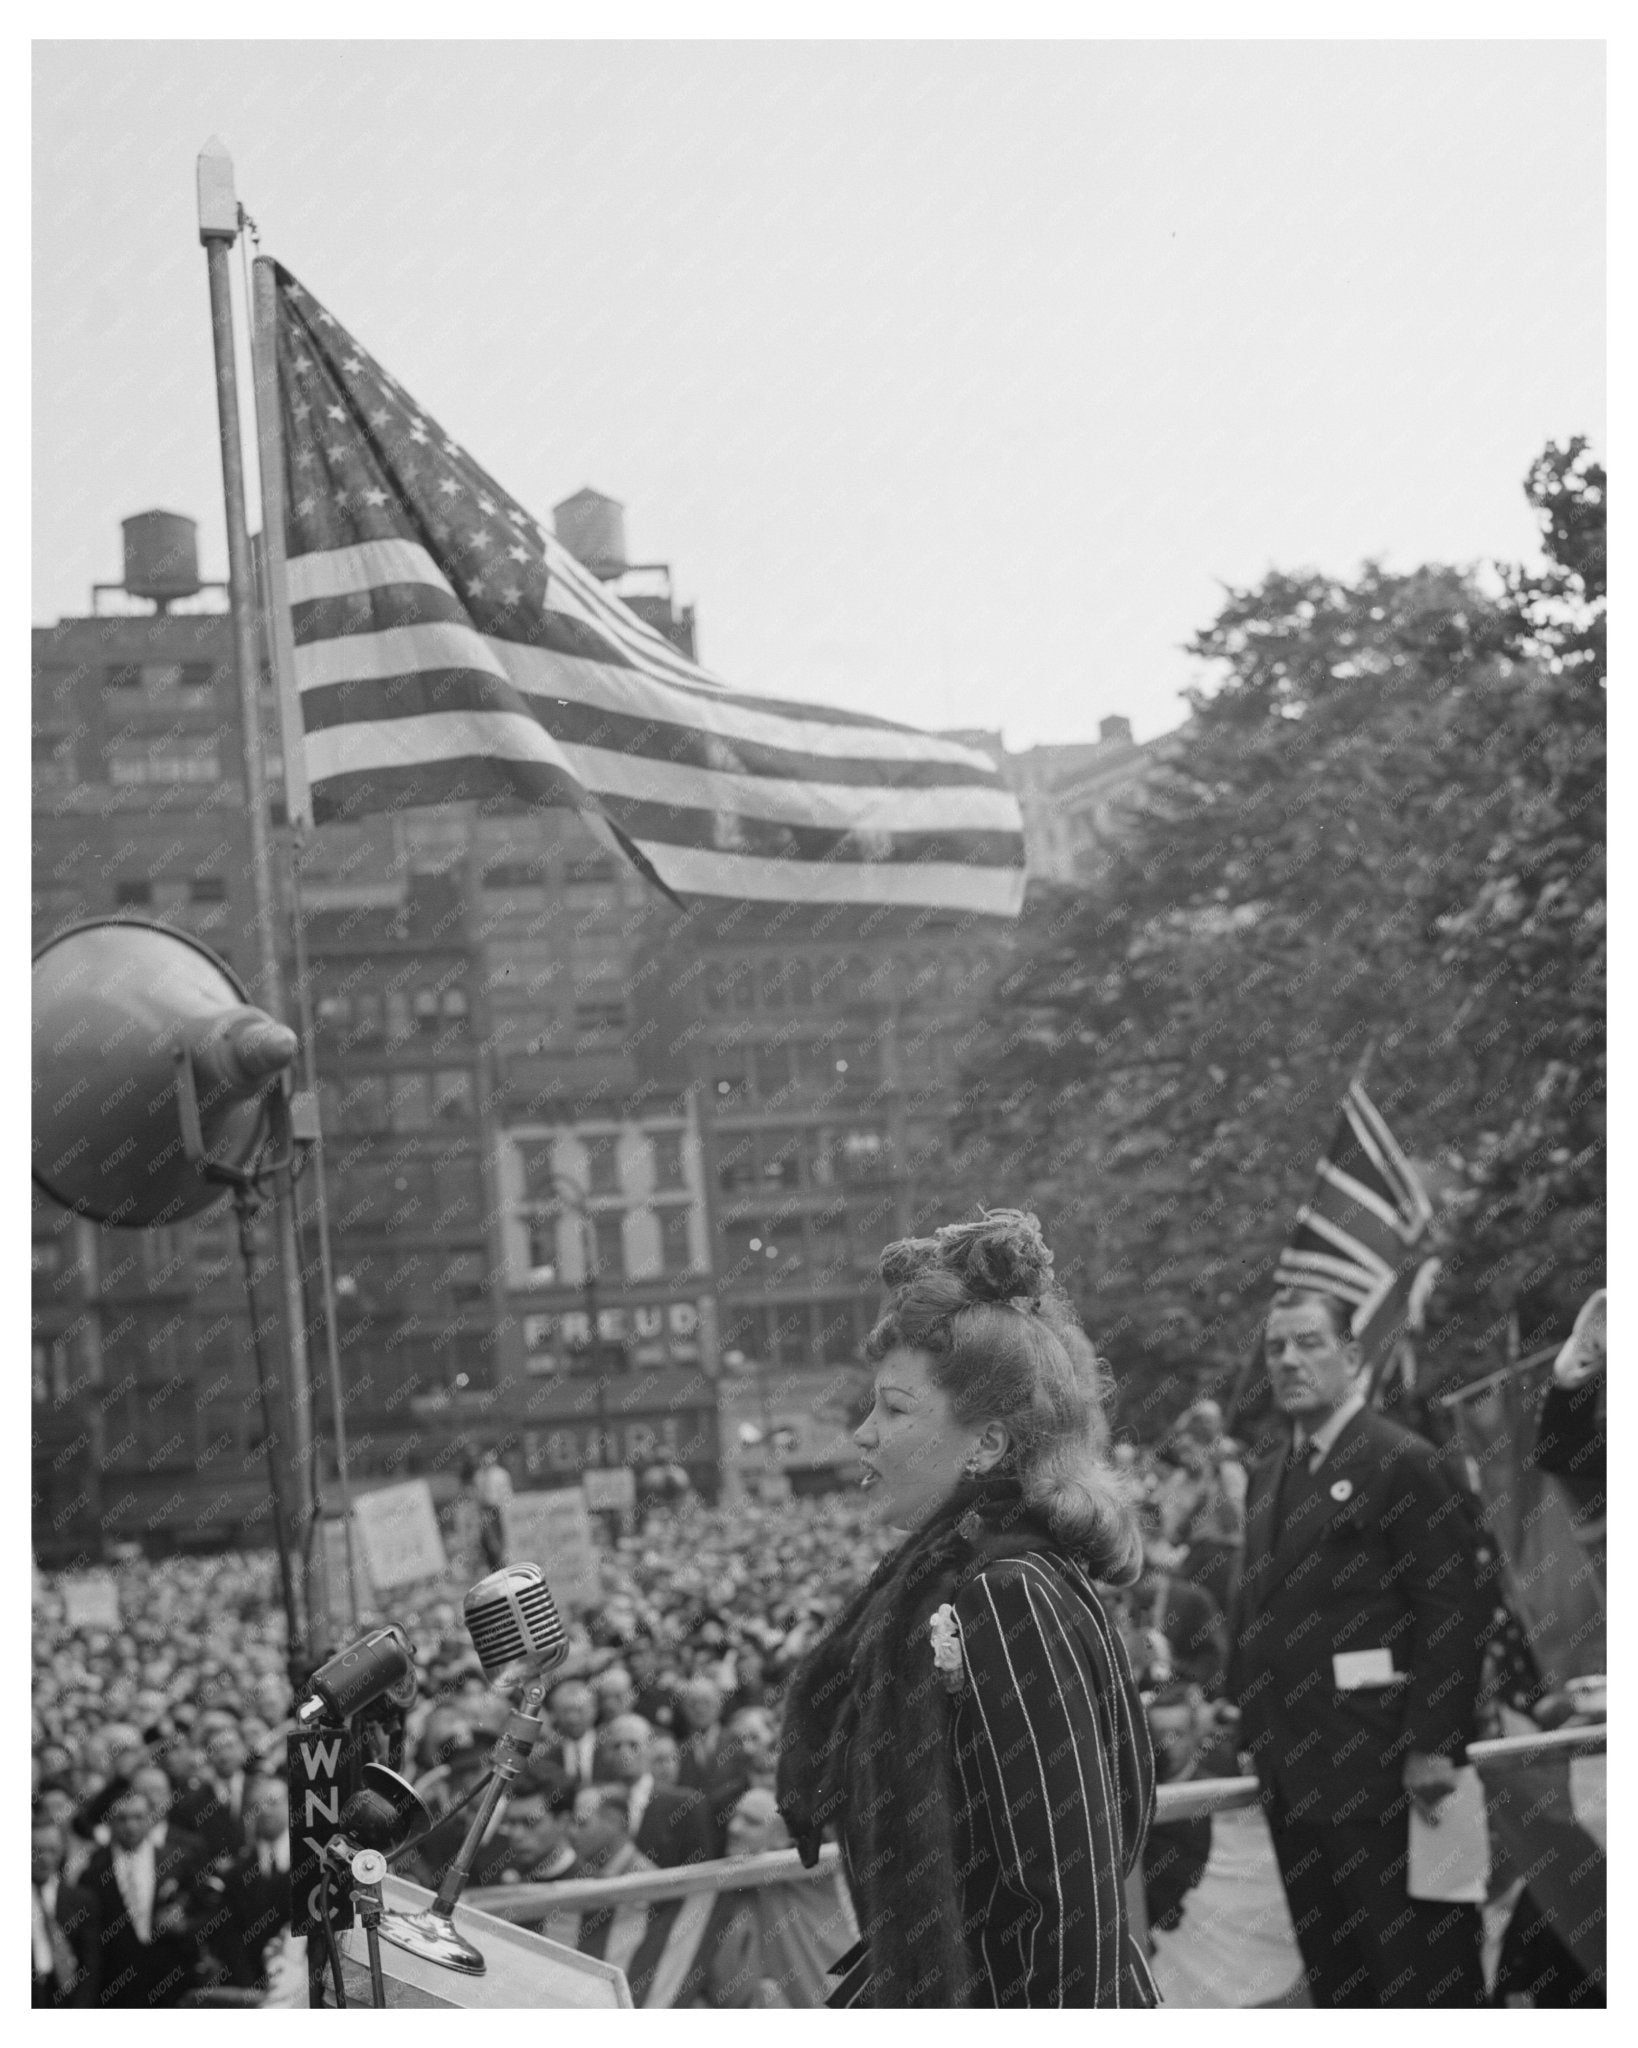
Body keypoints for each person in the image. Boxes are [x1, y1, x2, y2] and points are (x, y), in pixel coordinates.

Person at [777, 1209, 1158, 2008]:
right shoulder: (965, 1577)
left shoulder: (1004, 1590)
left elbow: (1072, 1906)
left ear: (986, 1445)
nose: (863, 1435)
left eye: (895, 1409)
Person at [1227, 1286, 1489, 2009]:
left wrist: (1434, 1742)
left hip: (1387, 1770)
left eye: (1308, 1342)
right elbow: (1262, 1609)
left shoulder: (1403, 1460)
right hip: (1296, 1773)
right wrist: (1248, 1725)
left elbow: (1451, 1608)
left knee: (1421, 1978)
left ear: (1350, 1355)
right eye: (1277, 1346)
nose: (1288, 1360)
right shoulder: (1269, 1471)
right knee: (1341, 1985)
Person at [82, 1784, 212, 2007]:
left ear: (151, 1819)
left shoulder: (177, 1860)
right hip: (116, 1987)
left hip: (172, 1980)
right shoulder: (94, 1870)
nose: (130, 1826)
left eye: (138, 1817)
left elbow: (206, 1910)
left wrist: (184, 1925)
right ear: (111, 1822)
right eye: (122, 1819)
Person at [203, 1778, 292, 1991]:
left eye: (273, 1802)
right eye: (257, 1805)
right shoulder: (236, 1872)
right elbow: (230, 1937)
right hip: (250, 1986)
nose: (265, 1811)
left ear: (289, 1805)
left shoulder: (309, 1861)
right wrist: (249, 1987)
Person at [599, 1714, 714, 1868]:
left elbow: (701, 1868)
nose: (624, 1753)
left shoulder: (686, 1803)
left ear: (650, 1749)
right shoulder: (598, 1803)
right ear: (606, 1754)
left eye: (633, 1745)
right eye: (616, 1746)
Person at [32, 1811, 99, 2007]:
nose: (44, 1859)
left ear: (62, 1850)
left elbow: (91, 1965)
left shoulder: (82, 1901)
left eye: (52, 1850)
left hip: (66, 1998)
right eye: (36, 1850)